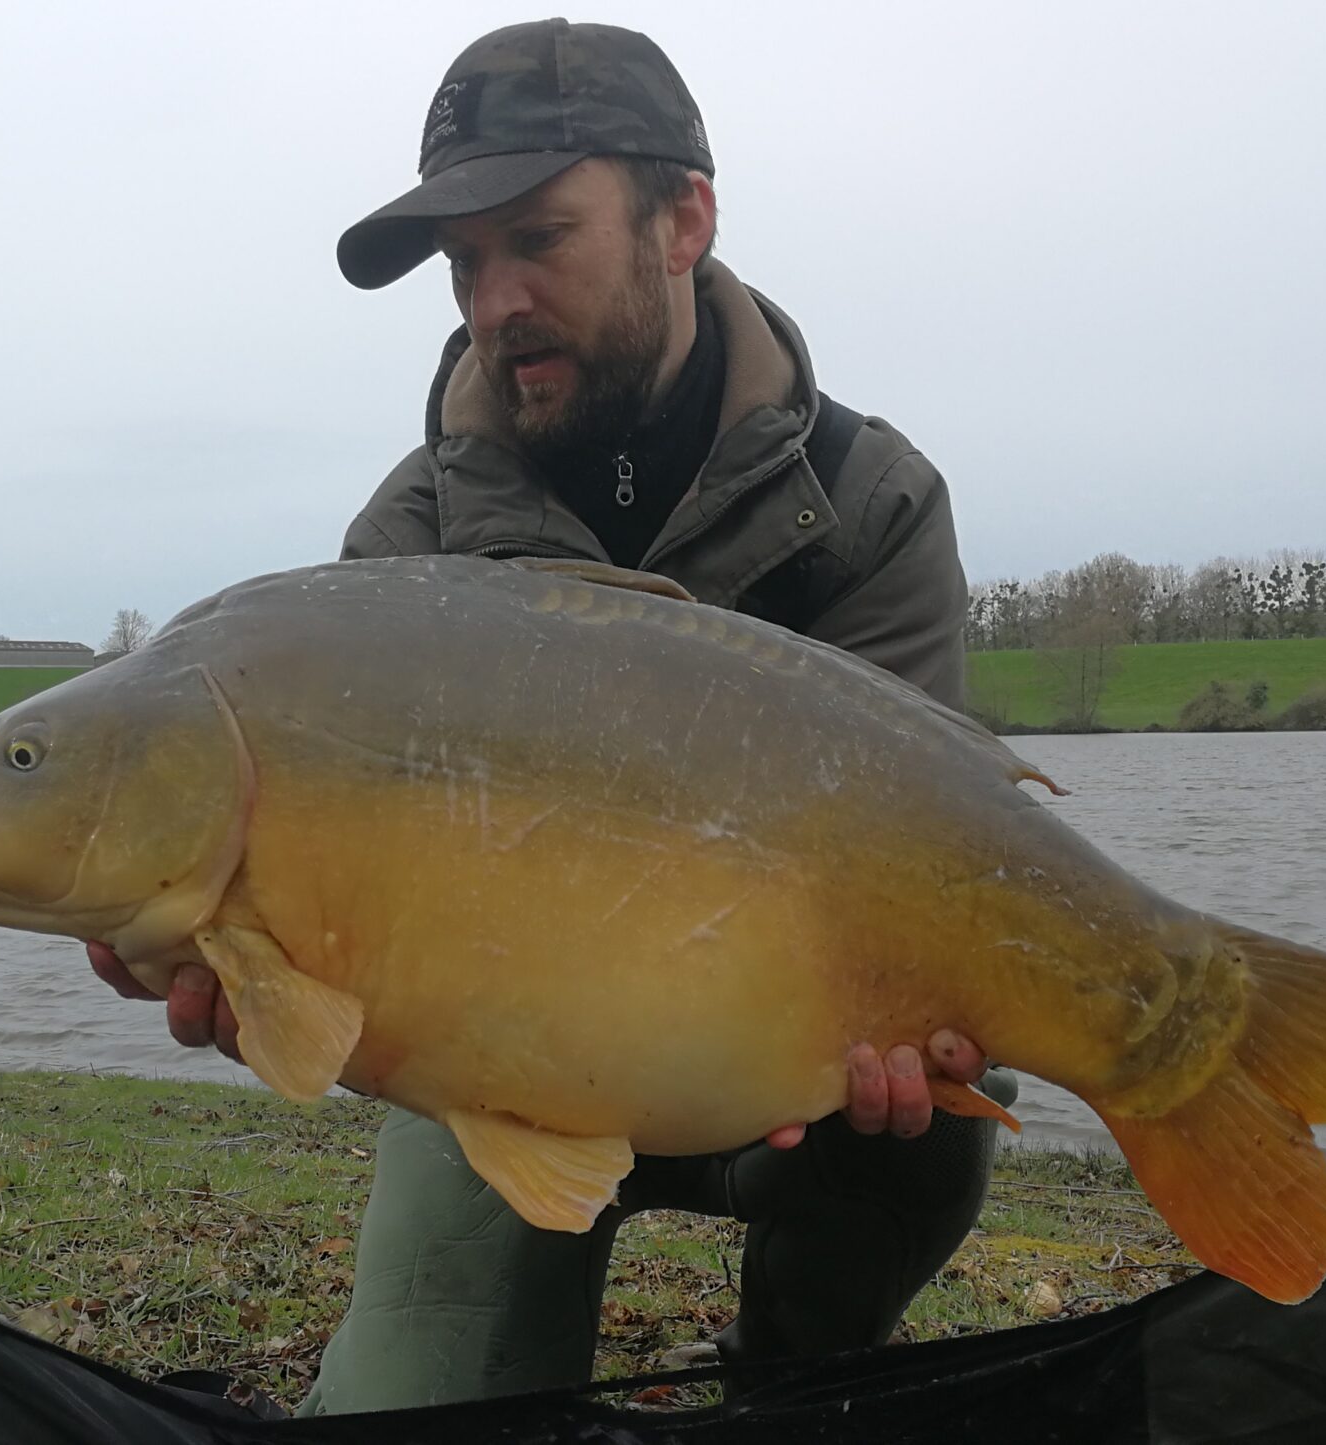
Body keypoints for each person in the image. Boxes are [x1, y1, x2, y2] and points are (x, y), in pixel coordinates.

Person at [83, 17, 1017, 1417]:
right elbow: (344, 932)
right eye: (466, 265)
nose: (494, 298)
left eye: (538, 239)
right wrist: (259, 968)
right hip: (496, 1076)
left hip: (773, 1070)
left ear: (682, 218)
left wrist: (923, 1015)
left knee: (929, 1127)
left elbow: (936, 852)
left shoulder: (866, 506)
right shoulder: (405, 546)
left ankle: (793, 1373)